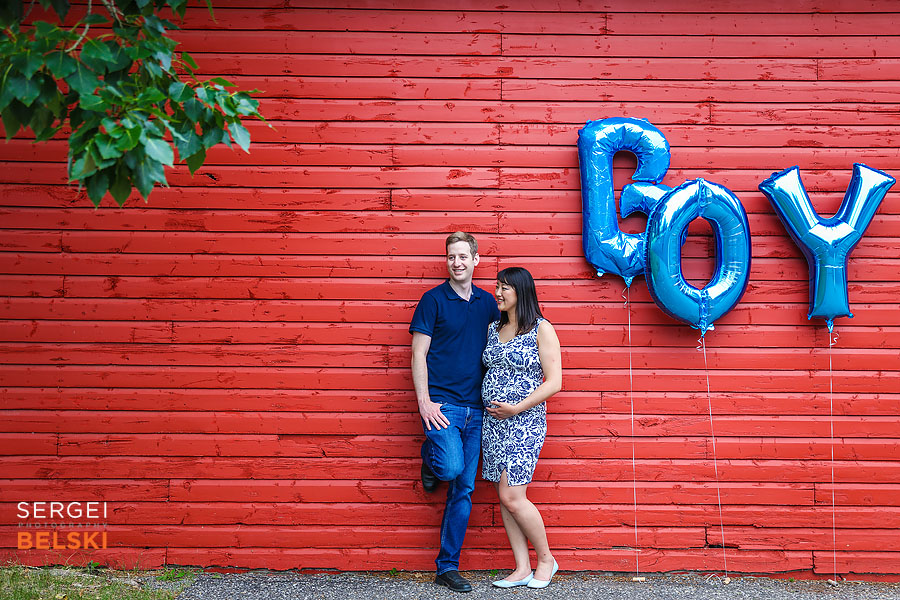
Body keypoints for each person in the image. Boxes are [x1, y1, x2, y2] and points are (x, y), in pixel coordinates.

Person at [409, 231, 501, 593]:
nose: (457, 262)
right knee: (450, 467)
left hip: (477, 410)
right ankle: (431, 457)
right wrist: (424, 402)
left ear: (476, 260)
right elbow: (418, 354)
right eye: (451, 257)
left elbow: (507, 340)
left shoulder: (487, 303)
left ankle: (446, 567)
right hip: (442, 406)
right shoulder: (432, 300)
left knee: (463, 488)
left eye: (463, 256)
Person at [481, 266, 562, 589]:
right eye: (497, 287)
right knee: (504, 496)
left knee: (514, 495)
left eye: (505, 288)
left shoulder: (541, 329)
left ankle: (547, 559)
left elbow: (555, 382)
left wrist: (516, 407)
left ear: (521, 292)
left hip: (524, 423)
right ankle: (521, 568)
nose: (498, 293)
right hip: (493, 423)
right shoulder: (492, 329)